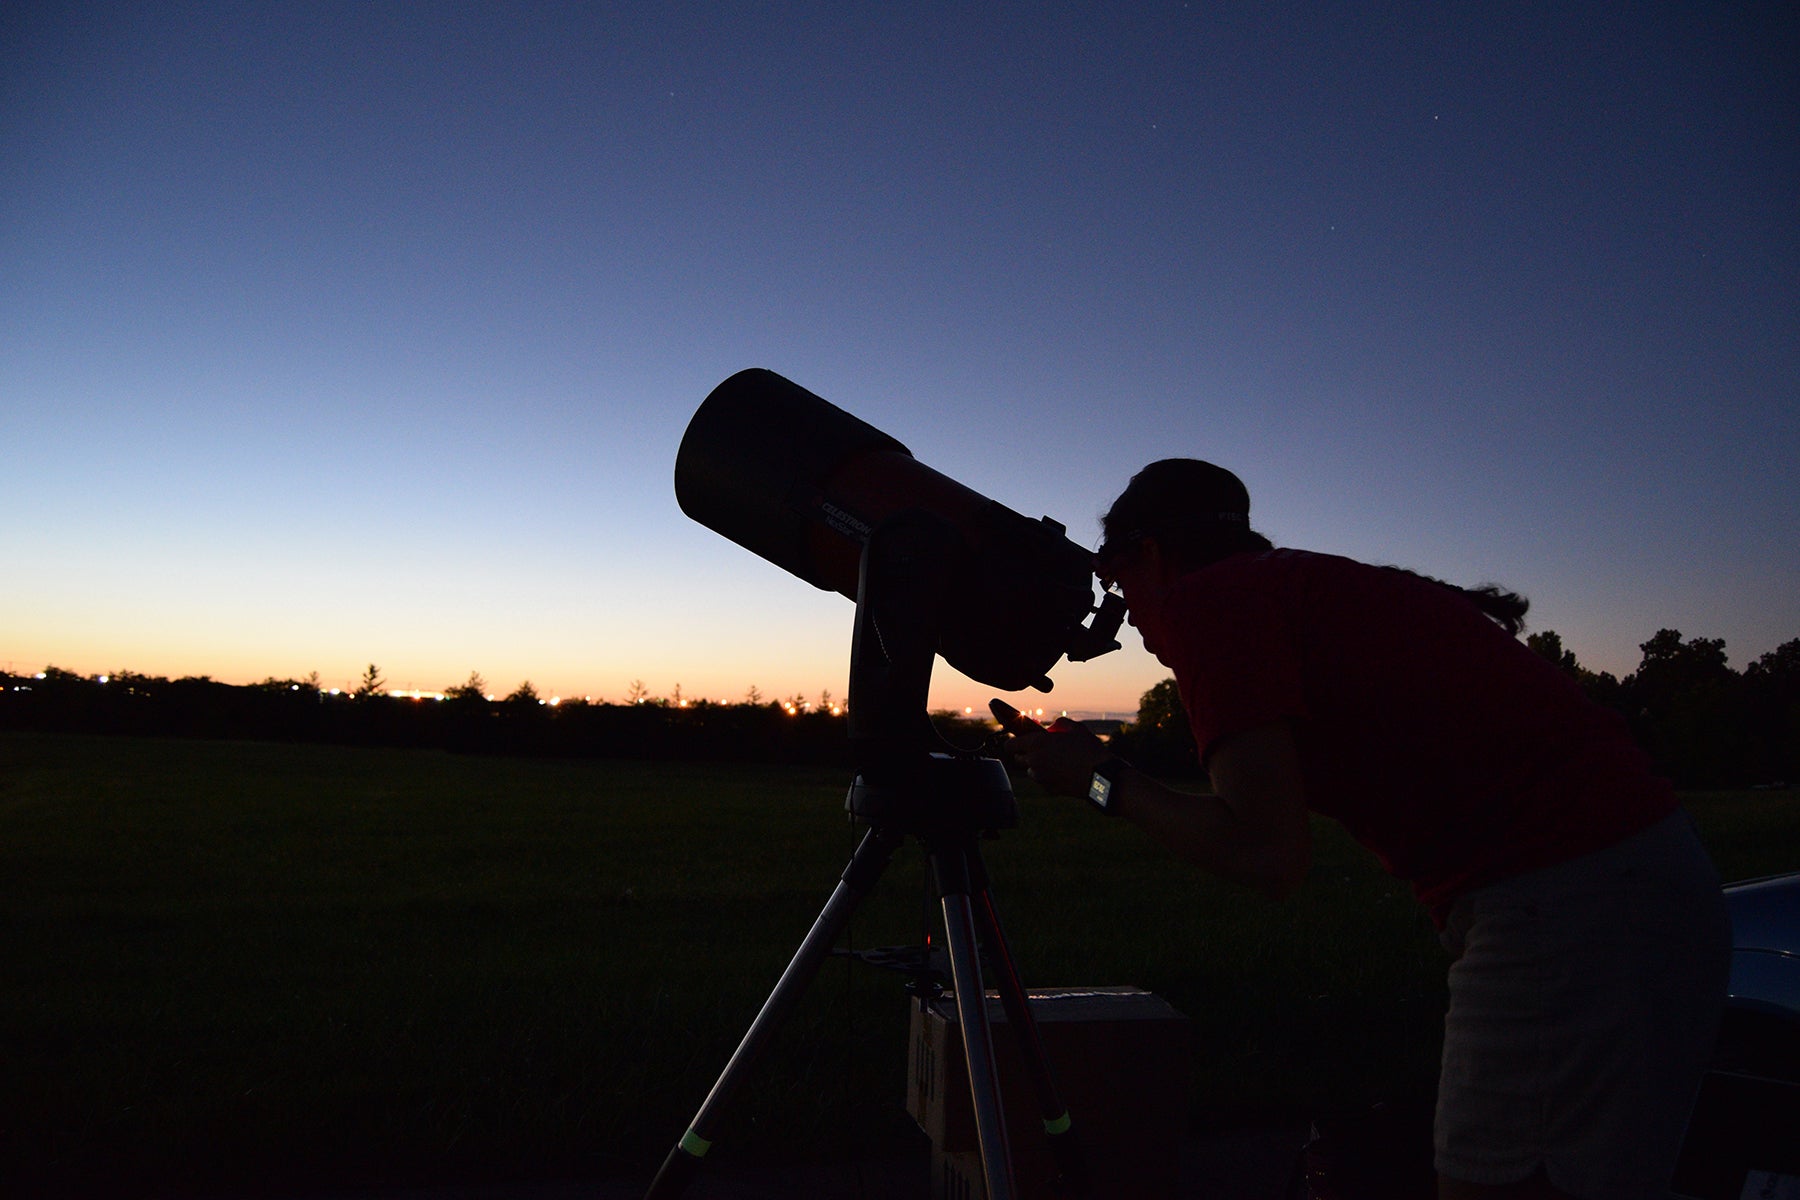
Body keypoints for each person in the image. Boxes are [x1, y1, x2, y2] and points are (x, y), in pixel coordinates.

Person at [997, 459, 1730, 1200]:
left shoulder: (1211, 603)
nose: (1137, 627)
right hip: (1619, 898)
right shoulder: (1294, 587)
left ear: (1150, 554)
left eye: (1121, 588)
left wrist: (1096, 779)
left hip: (1569, 912)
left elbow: (1267, 853)